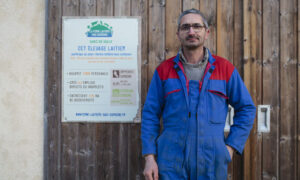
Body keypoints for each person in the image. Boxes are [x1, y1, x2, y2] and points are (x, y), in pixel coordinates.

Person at [141, 9, 256, 180]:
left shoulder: (224, 69)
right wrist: (149, 158)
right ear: (178, 34)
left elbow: (246, 108)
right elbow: (150, 114)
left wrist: (231, 146)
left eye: (197, 26)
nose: (191, 32)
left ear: (206, 32)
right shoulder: (164, 71)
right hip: (171, 162)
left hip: (212, 161)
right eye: (185, 27)